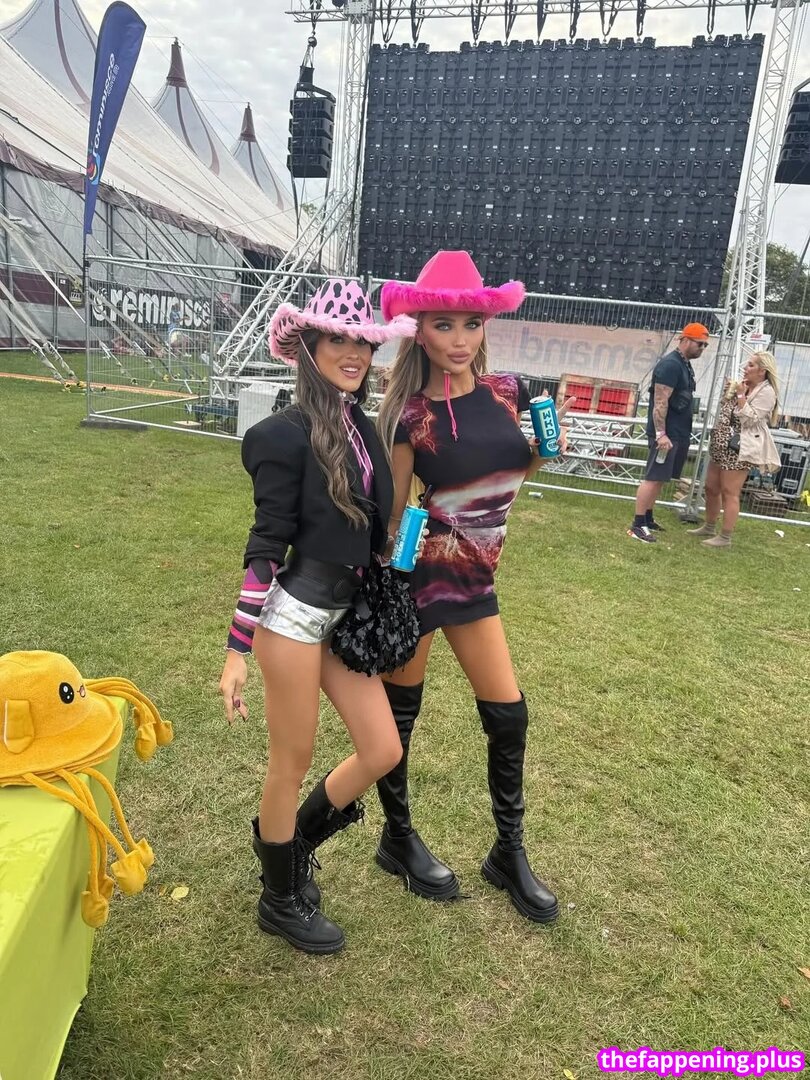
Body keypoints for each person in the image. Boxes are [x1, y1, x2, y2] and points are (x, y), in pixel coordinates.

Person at [373, 250, 573, 925]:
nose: (459, 340)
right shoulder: (410, 416)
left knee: (508, 714)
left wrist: (541, 451)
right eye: (443, 325)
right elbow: (392, 517)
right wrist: (386, 585)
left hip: (477, 575)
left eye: (470, 324)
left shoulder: (511, 393)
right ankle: (397, 838)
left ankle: (507, 853)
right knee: (400, 717)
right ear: (420, 331)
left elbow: (511, 476)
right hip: (425, 574)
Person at [218, 279, 416, 955]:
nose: (354, 352)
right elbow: (266, 545)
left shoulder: (365, 429)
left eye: (364, 341)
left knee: (382, 749)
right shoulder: (281, 436)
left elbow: (370, 526)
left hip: (346, 616)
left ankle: (291, 845)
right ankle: (279, 898)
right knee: (292, 758)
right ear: (306, 345)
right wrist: (237, 649)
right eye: (338, 338)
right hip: (294, 620)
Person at [688, 351, 781, 548]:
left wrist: (739, 394)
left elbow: (750, 419)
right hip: (721, 443)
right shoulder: (744, 385)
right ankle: (709, 526)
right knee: (711, 487)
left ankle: (725, 537)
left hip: (739, 447)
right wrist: (729, 392)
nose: (745, 368)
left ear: (762, 371)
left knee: (729, 491)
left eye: (751, 365)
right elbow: (726, 409)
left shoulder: (766, 392)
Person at [628, 323, 708, 543]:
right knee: (653, 477)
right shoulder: (671, 365)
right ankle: (638, 525)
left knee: (661, 478)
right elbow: (660, 402)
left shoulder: (684, 364)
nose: (702, 348)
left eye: (705, 345)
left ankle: (648, 517)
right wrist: (661, 434)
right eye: (699, 343)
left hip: (677, 431)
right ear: (685, 340)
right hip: (666, 433)